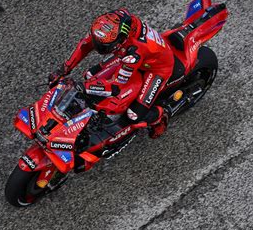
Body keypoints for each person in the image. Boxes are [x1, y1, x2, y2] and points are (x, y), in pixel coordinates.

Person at [48, 9, 174, 139]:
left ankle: (160, 116)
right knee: (90, 75)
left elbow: (115, 86)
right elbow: (85, 45)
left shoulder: (134, 52)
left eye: (104, 46)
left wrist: (83, 87)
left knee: (134, 115)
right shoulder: (110, 25)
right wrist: (62, 71)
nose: (98, 47)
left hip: (157, 69)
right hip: (130, 56)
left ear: (121, 40)